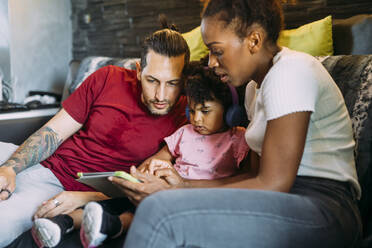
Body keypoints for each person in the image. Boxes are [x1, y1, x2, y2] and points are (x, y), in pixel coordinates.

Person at [107, 1, 362, 247]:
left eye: (217, 50)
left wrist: (173, 196)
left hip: (325, 207)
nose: (211, 62)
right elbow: (252, 177)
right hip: (282, 199)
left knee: (161, 212)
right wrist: (182, 185)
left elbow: (273, 185)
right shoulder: (253, 88)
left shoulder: (290, 72)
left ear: (254, 40)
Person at [0, 21, 190, 247]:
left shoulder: (188, 116)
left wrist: (88, 198)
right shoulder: (107, 78)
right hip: (41, 164)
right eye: (152, 80)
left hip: (57, 189)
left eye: (172, 83)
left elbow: (143, 187)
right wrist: (11, 167)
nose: (161, 95)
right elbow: (53, 132)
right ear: (139, 71)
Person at [77, 60, 250, 248]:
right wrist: (149, 170)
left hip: (201, 198)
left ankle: (112, 225)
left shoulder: (237, 138)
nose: (196, 119)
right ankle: (70, 222)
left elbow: (246, 179)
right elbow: (161, 157)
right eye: (191, 111)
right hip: (167, 192)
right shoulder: (186, 132)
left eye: (205, 111)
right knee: (129, 200)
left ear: (230, 112)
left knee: (151, 207)